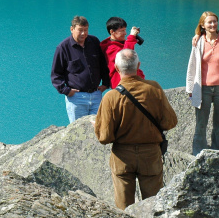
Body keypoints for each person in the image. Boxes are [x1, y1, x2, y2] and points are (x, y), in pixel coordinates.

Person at [94, 49, 178, 210]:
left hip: (122, 157)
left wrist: (98, 125)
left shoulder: (111, 97)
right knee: (154, 206)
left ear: (117, 69)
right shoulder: (154, 88)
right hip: (150, 154)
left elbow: (104, 137)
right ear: (138, 66)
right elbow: (170, 122)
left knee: (124, 208)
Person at [186, 11, 219, 155]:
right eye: (209, 22)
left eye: (215, 21)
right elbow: (192, 65)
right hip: (203, 89)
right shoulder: (198, 41)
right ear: (203, 25)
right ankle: (198, 153)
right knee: (201, 124)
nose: (213, 24)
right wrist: (189, 88)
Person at [51, 16, 111, 123]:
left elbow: (103, 64)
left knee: (99, 129)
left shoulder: (94, 42)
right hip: (76, 98)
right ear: (72, 29)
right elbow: (56, 74)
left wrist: (106, 83)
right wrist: (66, 90)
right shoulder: (63, 48)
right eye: (80, 30)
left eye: (86, 30)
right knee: (78, 132)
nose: (83, 33)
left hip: (96, 95)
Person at [100, 17, 145, 88]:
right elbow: (126, 57)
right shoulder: (109, 48)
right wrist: (131, 37)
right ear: (112, 32)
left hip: (133, 82)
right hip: (122, 85)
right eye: (122, 31)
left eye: (125, 30)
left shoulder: (123, 43)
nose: (125, 33)